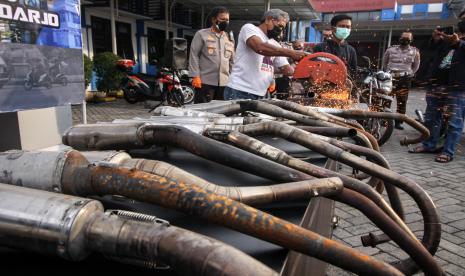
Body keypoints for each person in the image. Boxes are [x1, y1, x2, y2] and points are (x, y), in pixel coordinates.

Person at [409, 20, 465, 163]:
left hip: (458, 88)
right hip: (437, 84)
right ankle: (429, 145)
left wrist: (459, 43)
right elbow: (431, 50)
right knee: (432, 118)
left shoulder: (458, 42)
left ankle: (448, 151)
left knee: (454, 122)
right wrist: (436, 38)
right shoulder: (449, 39)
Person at [224, 9, 305, 100]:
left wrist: (305, 67)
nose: (281, 30)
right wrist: (292, 53)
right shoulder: (250, 29)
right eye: (280, 26)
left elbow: (287, 70)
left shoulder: (274, 44)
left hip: (261, 93)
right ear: (268, 20)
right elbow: (259, 48)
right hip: (240, 90)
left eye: (283, 28)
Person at [188, 6, 234, 103]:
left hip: (224, 84)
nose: (225, 22)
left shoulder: (229, 38)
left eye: (227, 20)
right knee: (203, 112)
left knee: (222, 113)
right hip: (205, 82)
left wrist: (234, 80)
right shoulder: (201, 34)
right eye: (222, 19)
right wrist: (195, 75)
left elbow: (232, 61)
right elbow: (194, 55)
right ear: (213, 19)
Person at [382, 30, 420, 130]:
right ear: (400, 38)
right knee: (386, 99)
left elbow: (416, 66)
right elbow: (384, 62)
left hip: (404, 79)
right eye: (403, 38)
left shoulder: (415, 51)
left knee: (402, 101)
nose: (405, 40)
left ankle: (398, 122)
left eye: (407, 39)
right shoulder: (390, 50)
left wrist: (409, 74)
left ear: (411, 40)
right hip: (390, 77)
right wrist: (388, 72)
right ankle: (384, 119)